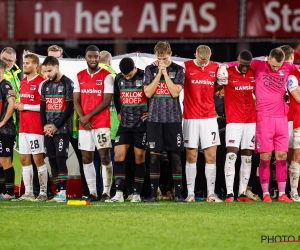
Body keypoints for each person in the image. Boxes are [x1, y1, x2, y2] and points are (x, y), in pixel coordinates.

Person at [143, 41, 185, 202]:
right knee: (154, 156)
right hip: (154, 119)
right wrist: (159, 74)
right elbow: (148, 93)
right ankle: (154, 194)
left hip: (173, 119)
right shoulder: (149, 69)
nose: (161, 61)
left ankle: (179, 194)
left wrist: (166, 73)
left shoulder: (178, 69)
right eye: (159, 58)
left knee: (175, 155)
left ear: (170, 54)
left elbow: (175, 93)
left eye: (164, 58)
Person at [47, 45, 89, 198]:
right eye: (52, 57)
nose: (54, 59)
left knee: (82, 157)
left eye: (57, 57)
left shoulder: (72, 76)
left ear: (62, 58)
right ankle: (55, 191)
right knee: (53, 158)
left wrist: (57, 125)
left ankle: (86, 191)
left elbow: (73, 104)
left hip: (73, 125)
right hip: (54, 126)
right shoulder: (46, 79)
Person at [73, 45, 114, 202]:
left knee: (104, 156)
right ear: (85, 57)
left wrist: (87, 116)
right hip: (85, 125)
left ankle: (106, 191)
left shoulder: (107, 76)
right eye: (90, 56)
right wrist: (83, 118)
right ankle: (92, 192)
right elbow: (76, 101)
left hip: (102, 123)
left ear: (99, 58)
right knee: (86, 157)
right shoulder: (79, 76)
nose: (93, 59)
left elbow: (106, 100)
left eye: (95, 57)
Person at [183, 45, 223, 202]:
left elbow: (215, 88)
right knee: (191, 155)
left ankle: (211, 194)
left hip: (209, 118)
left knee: (211, 156)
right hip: (190, 117)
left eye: (205, 61)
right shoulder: (186, 66)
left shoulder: (215, 67)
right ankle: (191, 194)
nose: (202, 64)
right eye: (200, 61)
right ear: (195, 55)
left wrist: (222, 83)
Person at [106, 57, 147, 202]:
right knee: (118, 155)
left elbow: (152, 94)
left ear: (135, 68)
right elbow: (116, 96)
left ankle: (137, 193)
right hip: (125, 124)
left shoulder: (144, 75)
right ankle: (118, 193)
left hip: (141, 124)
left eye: (129, 75)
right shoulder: (118, 78)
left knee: (139, 157)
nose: (126, 78)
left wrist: (150, 111)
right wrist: (118, 111)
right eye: (124, 75)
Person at [218, 50, 256, 202]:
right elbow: (217, 84)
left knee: (247, 157)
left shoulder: (254, 72)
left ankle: (241, 193)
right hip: (234, 120)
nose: (245, 68)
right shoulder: (228, 72)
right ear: (237, 61)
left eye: (247, 66)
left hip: (251, 120)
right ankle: (229, 193)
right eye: (242, 65)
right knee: (231, 155)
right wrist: (223, 67)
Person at [15, 54, 49, 201]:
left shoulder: (42, 82)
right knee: (24, 159)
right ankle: (28, 192)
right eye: (24, 63)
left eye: (28, 63)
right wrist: (18, 105)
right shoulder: (22, 82)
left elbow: (45, 105)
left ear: (36, 65)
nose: (25, 65)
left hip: (36, 128)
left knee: (38, 159)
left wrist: (25, 106)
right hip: (23, 127)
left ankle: (43, 192)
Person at [40, 56, 74, 202]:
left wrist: (56, 126)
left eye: (49, 70)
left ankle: (63, 192)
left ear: (57, 67)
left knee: (61, 159)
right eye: (45, 71)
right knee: (51, 159)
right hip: (48, 130)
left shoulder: (67, 83)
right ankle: (58, 191)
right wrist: (45, 125)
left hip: (62, 130)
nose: (47, 74)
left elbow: (69, 109)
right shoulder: (45, 85)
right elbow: (43, 107)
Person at [92, 50, 119, 197]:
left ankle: (95, 190)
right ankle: (110, 191)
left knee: (95, 160)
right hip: (113, 126)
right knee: (110, 161)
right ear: (110, 62)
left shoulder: (92, 76)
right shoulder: (115, 76)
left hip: (94, 125)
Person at [0, 59, 16, 200]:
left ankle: (10, 193)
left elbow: (12, 104)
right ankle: (2, 191)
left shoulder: (6, 85)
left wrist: (3, 122)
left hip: (6, 130)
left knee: (6, 161)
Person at [287, 68, 300, 201]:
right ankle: (293, 191)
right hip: (298, 121)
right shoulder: (293, 76)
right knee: (296, 156)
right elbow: (298, 98)